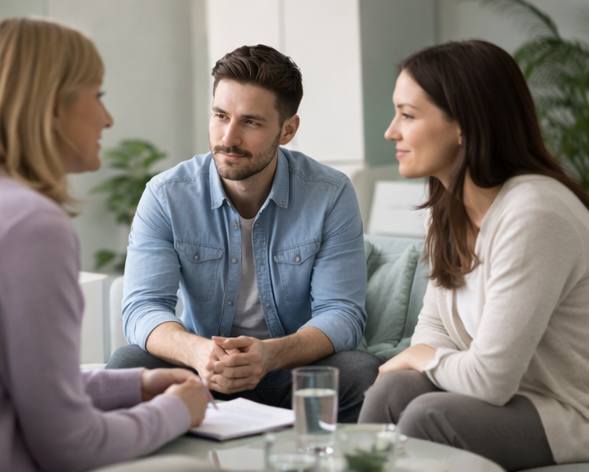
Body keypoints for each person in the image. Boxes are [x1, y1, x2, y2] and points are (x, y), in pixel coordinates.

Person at [0, 17, 213, 472]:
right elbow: (72, 446)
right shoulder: (27, 225)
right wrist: (176, 411)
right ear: (52, 105)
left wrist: (136, 386)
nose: (107, 118)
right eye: (98, 95)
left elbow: (15, 387)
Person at [109, 45, 379, 423]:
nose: (228, 137)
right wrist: (197, 352)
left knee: (362, 373)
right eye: (221, 115)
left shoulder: (330, 193)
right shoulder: (166, 194)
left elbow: (342, 313)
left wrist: (270, 355)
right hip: (201, 371)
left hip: (292, 371)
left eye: (250, 122)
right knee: (127, 366)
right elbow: (143, 306)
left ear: (287, 130)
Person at [358, 40, 589, 471]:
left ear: (464, 125)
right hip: (499, 396)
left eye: (408, 115)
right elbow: (434, 328)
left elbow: (490, 380)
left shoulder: (535, 213)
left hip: (567, 410)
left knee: (429, 416)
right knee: (391, 391)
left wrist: (422, 357)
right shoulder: (447, 209)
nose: (391, 132)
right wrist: (423, 355)